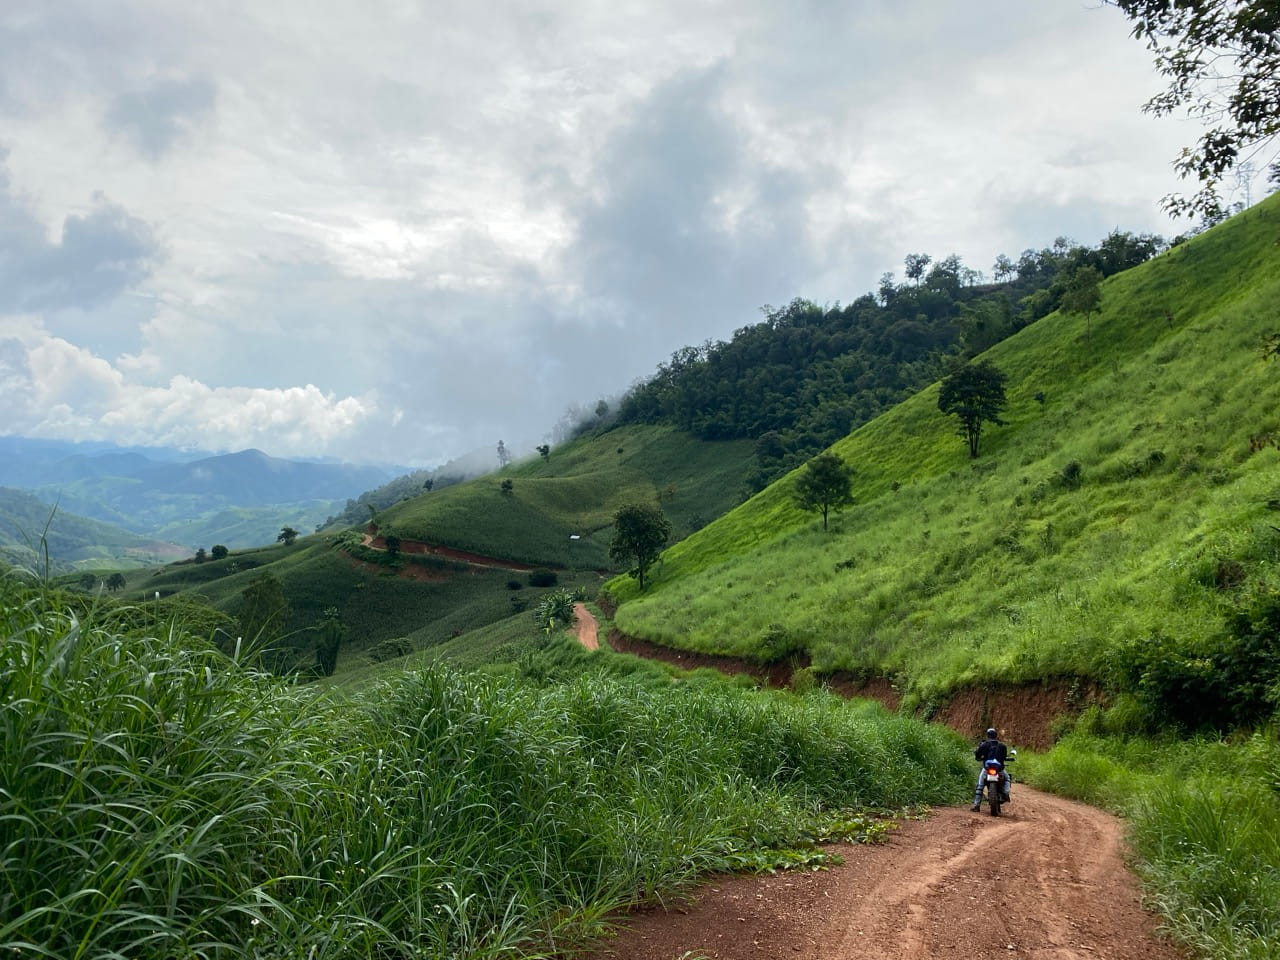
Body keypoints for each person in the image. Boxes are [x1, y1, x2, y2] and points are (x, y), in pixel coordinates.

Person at [971, 727, 1010, 811]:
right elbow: (1004, 757)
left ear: (988, 735)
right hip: (999, 769)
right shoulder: (1002, 745)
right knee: (1007, 778)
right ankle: (1006, 793)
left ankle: (976, 805)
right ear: (996, 735)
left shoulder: (984, 744)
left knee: (980, 785)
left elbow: (978, 756)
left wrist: (979, 758)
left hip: (987, 768)